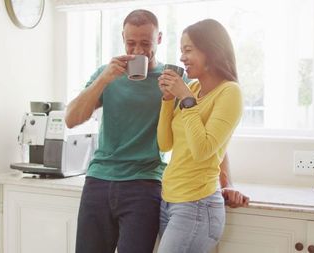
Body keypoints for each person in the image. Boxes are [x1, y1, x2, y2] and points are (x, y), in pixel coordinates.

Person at [65, 9, 165, 253]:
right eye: (131, 43)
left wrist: (225, 182)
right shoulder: (106, 74)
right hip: (99, 179)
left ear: (159, 39)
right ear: (122, 38)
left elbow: (203, 124)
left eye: (146, 43)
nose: (138, 51)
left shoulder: (168, 80)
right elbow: (71, 119)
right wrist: (103, 80)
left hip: (144, 183)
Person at [156, 19, 249, 253]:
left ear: (211, 50)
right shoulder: (195, 89)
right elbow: (165, 144)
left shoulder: (230, 92)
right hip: (169, 201)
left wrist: (186, 99)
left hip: (196, 205)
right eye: (181, 51)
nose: (182, 58)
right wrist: (168, 99)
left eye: (188, 50)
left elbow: (203, 150)